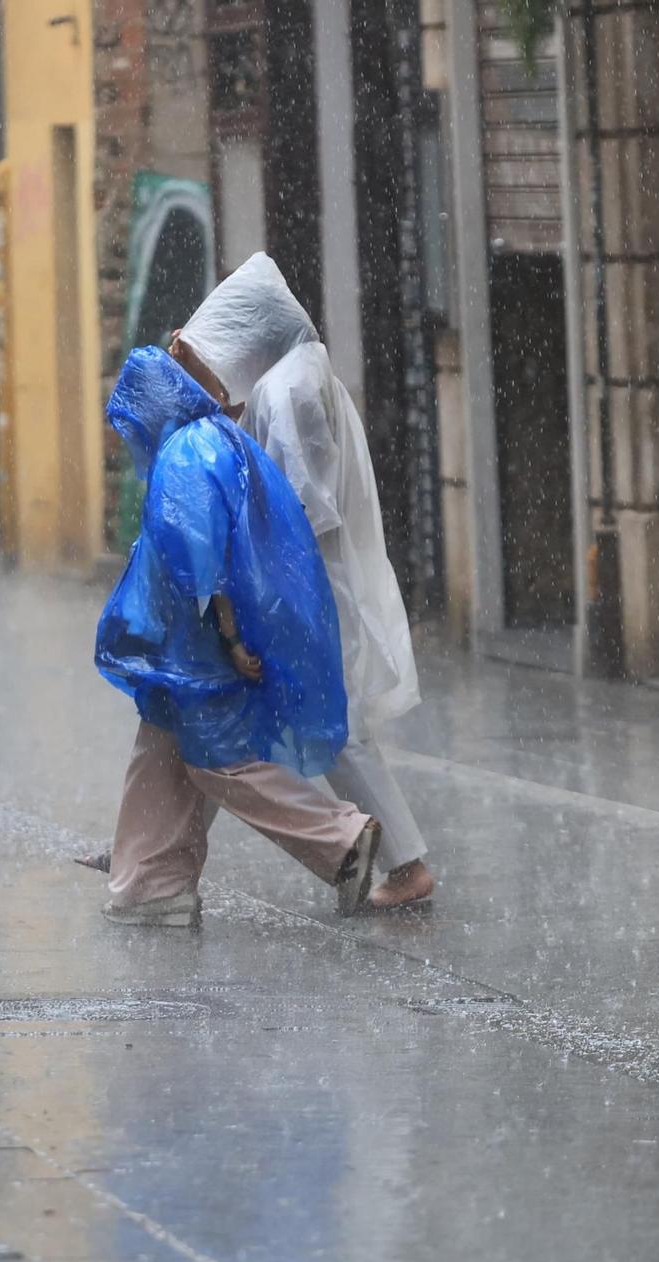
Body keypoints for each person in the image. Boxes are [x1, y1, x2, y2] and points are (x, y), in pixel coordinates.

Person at [171, 253, 434, 910]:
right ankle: (156, 855)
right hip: (308, 581)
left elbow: (301, 506)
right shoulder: (299, 371)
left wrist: (269, 596)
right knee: (226, 720)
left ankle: (404, 865)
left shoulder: (286, 389)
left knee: (325, 726)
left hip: (307, 585)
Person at [95, 345, 382, 927]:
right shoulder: (215, 438)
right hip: (184, 648)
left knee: (219, 760)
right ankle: (152, 881)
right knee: (162, 750)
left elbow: (198, 556)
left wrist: (228, 635)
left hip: (195, 645)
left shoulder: (183, 454)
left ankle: (342, 839)